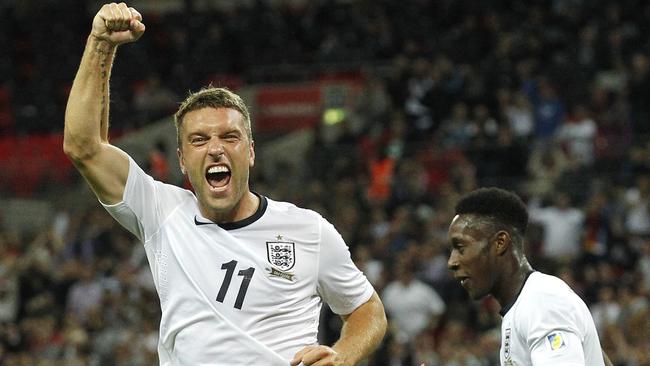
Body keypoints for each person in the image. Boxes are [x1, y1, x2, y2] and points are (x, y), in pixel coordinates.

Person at [63, 3, 387, 365]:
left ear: (250, 151)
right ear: (182, 159)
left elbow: (367, 310)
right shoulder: (162, 212)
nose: (215, 149)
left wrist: (342, 357)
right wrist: (100, 44)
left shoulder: (308, 230)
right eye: (199, 140)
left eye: (229, 137)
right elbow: (84, 146)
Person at [446, 187, 612, 366]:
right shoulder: (527, 305)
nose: (451, 262)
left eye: (461, 247)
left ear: (500, 243)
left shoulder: (543, 302)